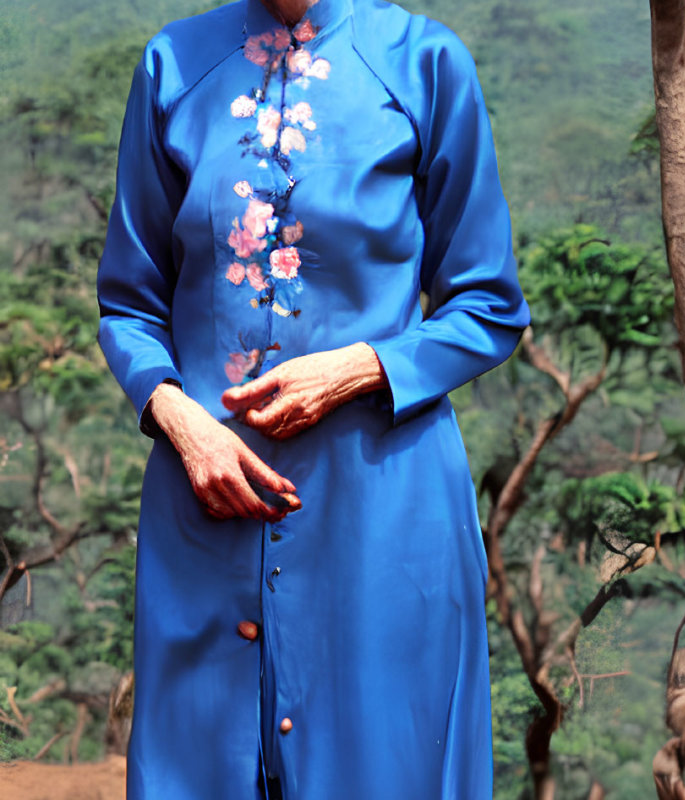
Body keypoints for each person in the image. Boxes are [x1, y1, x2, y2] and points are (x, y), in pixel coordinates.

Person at [96, 0, 529, 796]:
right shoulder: (172, 66)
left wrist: (359, 367)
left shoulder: (424, 63)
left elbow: (489, 305)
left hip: (380, 516)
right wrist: (180, 420)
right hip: (204, 504)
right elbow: (128, 304)